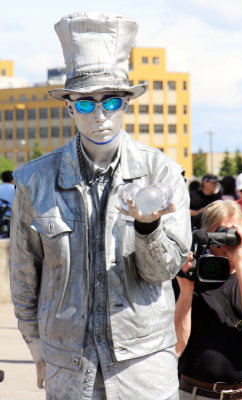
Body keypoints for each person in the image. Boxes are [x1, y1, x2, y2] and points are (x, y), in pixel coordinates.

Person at [9, 12, 191, 400]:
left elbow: (164, 271)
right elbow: (25, 273)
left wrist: (147, 228)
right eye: (86, 103)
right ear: (69, 107)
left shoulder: (162, 173)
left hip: (143, 364)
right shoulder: (33, 180)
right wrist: (37, 346)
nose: (101, 114)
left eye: (111, 100)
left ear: (126, 102)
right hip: (68, 365)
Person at [175, 200, 242, 400]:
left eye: (234, 234)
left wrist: (240, 263)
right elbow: (177, 347)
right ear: (206, 236)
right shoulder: (188, 277)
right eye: (219, 233)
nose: (226, 241)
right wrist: (186, 291)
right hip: (195, 393)